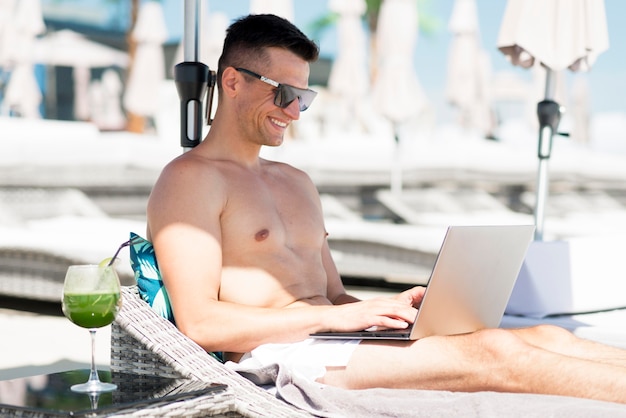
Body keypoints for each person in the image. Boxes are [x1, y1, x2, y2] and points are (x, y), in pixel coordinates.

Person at [146, 14, 626, 405]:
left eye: (304, 97)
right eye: (285, 93)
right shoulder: (190, 180)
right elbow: (201, 325)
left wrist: (388, 312)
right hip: (279, 357)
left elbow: (332, 297)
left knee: (546, 337)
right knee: (495, 350)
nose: (294, 112)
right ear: (232, 81)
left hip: (331, 342)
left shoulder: (295, 181)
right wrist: (333, 320)